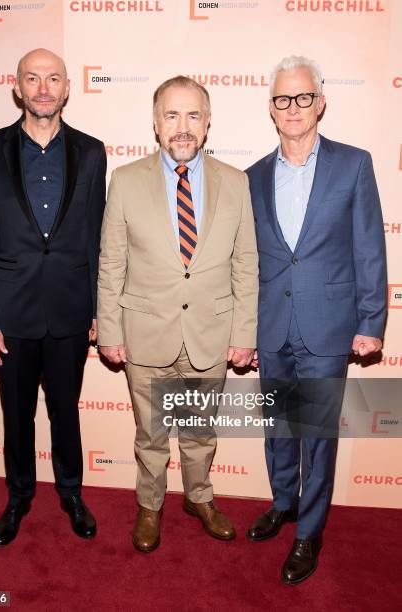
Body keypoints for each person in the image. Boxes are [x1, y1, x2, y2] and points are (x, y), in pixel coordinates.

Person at [97, 75, 258, 553]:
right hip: (145, 331)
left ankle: (199, 498)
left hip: (211, 330)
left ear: (208, 123)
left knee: (200, 429)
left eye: (193, 115)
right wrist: (109, 329)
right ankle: (150, 505)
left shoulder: (235, 181)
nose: (182, 127)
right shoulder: (125, 180)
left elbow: (246, 263)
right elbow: (112, 262)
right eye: (172, 115)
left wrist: (244, 332)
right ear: (155, 122)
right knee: (151, 433)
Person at [246, 55, 387, 584]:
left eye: (303, 96)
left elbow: (369, 248)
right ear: (272, 109)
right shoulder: (252, 177)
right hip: (272, 323)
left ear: (320, 102)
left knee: (316, 434)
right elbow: (248, 262)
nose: (294, 107)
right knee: (278, 428)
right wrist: (245, 329)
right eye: (283, 99)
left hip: (329, 325)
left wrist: (372, 321)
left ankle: (309, 531)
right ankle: (283, 503)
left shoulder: (353, 164)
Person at [0, 48, 106, 546]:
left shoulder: (91, 152)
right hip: (12, 312)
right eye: (33, 78)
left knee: (65, 410)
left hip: (71, 310)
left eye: (53, 79)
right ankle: (19, 496)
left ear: (67, 88)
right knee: (16, 414)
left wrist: (98, 311)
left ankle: (71, 493)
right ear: (17, 86)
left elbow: (96, 239)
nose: (43, 88)